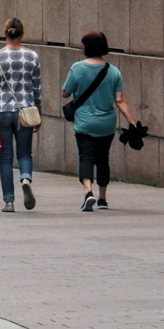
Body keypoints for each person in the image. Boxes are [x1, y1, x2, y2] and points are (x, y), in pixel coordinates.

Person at [62, 30, 132, 212]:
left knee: (86, 156)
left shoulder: (77, 68)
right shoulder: (114, 71)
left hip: (84, 123)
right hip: (106, 124)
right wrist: (132, 122)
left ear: (87, 47)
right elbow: (120, 100)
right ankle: (102, 198)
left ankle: (88, 192)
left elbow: (65, 92)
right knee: (103, 158)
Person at [0, 17, 44, 213]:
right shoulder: (32, 56)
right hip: (25, 111)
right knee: (25, 152)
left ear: (5, 32)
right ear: (22, 33)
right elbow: (37, 88)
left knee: (5, 157)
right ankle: (25, 178)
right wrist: (38, 114)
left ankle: (9, 201)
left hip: (1, 112)